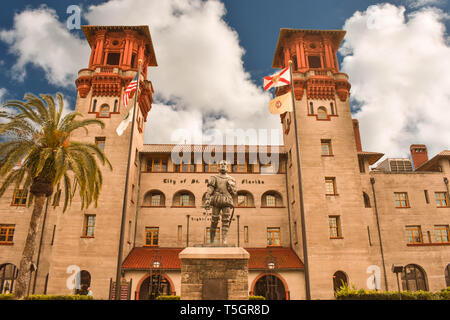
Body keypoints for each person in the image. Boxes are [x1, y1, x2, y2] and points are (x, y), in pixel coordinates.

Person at [204, 160, 237, 244]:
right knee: (214, 220)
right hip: (216, 199)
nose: (223, 165)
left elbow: (234, 192)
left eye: (225, 164)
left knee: (226, 220)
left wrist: (231, 187)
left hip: (226, 199)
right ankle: (211, 240)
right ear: (219, 166)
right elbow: (210, 188)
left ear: (227, 167)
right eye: (221, 164)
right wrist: (207, 198)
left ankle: (224, 240)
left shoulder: (231, 179)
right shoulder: (214, 177)